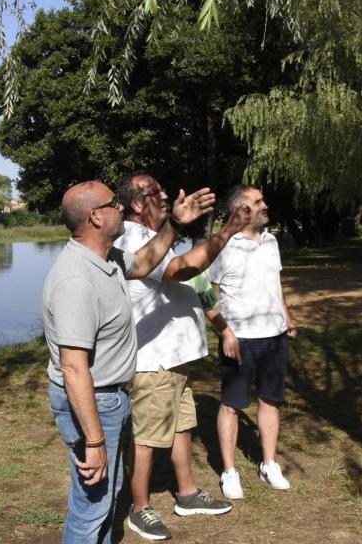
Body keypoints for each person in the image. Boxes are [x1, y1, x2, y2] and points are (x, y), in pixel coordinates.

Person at [44, 180, 216, 544]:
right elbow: (73, 367)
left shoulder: (107, 260)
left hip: (110, 397)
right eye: (112, 204)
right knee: (91, 505)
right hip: (95, 400)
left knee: (107, 496)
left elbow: (147, 260)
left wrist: (175, 224)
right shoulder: (77, 278)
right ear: (95, 217)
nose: (120, 208)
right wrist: (93, 441)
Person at [113, 175, 250, 540]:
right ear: (137, 205)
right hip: (152, 361)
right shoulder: (132, 238)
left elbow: (194, 279)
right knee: (147, 438)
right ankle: (139, 509)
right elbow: (183, 270)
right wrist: (229, 231)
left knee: (180, 426)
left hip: (173, 359)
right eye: (154, 192)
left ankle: (187, 494)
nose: (164, 194)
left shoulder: (157, 238)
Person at [207, 185, 298, 498]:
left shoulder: (271, 240)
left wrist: (286, 315)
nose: (264, 205)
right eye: (257, 202)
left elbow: (275, 283)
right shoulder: (223, 246)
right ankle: (229, 472)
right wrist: (225, 331)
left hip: (274, 336)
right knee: (232, 405)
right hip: (240, 339)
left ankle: (269, 464)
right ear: (240, 211)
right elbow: (204, 291)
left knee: (271, 400)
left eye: (262, 200)